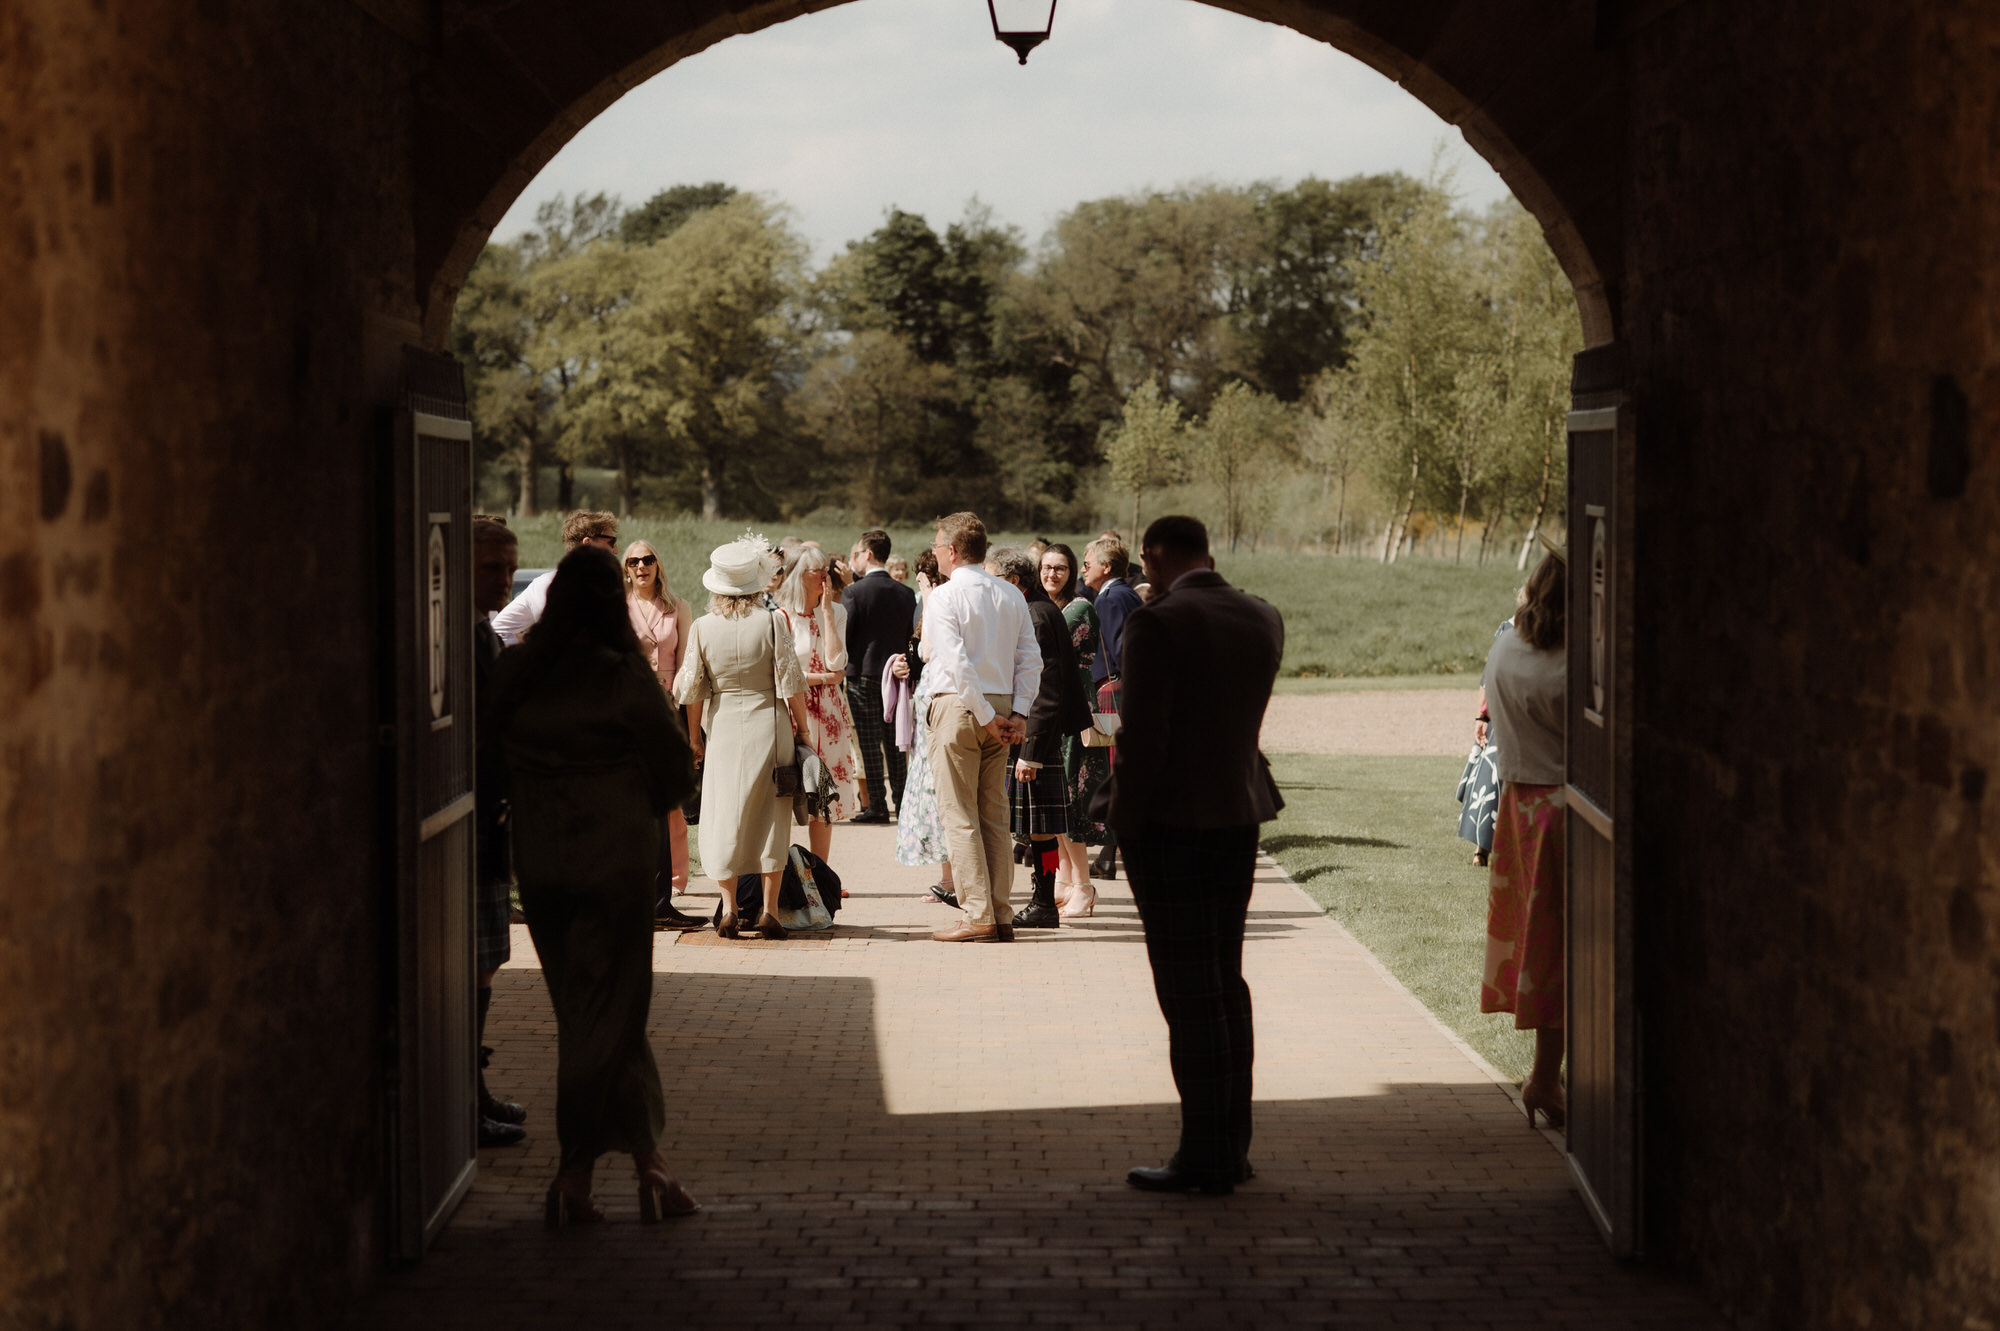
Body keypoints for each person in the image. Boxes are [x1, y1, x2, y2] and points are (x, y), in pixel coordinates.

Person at [488, 545, 700, 1226]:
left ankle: (646, 1163)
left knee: (586, 1008)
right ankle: (578, 1170)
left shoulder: (517, 671)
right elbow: (674, 774)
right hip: (616, 855)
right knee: (612, 1008)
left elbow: (483, 763)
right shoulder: (622, 678)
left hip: (543, 859)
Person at [1096, 515, 1283, 1196]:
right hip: (1239, 809)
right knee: (1225, 983)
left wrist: (1121, 822)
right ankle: (1231, 1142)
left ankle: (1204, 1154)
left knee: (1186, 988)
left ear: (1153, 555)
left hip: (1172, 820)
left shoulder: (1159, 622)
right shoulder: (1262, 615)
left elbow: (1144, 739)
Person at [675, 535, 812, 941]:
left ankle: (730, 909)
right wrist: (803, 731)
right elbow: (791, 683)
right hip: (769, 725)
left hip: (723, 730)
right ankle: (769, 910)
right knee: (772, 817)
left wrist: (695, 739)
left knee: (722, 816)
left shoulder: (702, 627)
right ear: (754, 584)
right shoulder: (772, 621)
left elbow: (692, 691)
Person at [1478, 550, 1569, 1129]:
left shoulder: (1507, 644)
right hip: (1564, 809)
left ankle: (1546, 1073)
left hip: (1520, 806)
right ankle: (1544, 1077)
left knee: (1543, 949)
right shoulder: (1576, 661)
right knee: (1566, 949)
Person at [923, 513, 1040, 943]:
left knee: (960, 814)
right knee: (994, 811)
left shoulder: (944, 596)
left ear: (952, 551)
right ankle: (1002, 911)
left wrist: (988, 717)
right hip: (1003, 705)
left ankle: (978, 913)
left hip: (960, 706)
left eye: (937, 546)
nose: (935, 553)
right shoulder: (1010, 593)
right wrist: (1019, 713)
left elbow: (954, 662)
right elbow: (1030, 659)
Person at [986, 547, 1092, 930]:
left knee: (1041, 828)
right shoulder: (1035, 610)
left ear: (1013, 581)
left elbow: (1047, 690)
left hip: (1037, 739)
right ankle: (1043, 901)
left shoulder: (1037, 615)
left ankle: (1044, 903)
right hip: (1036, 736)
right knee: (1039, 829)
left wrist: (1030, 752)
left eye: (993, 578)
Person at [470, 516, 527, 1149]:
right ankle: (463, 1095)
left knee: (485, 962)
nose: (506, 581)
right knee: (473, 965)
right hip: (472, 815)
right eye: (492, 569)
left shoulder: (486, 634)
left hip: (488, 814)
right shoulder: (463, 637)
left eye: (511, 569)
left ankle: (471, 1089)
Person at [622, 539, 704, 928]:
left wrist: (693, 734)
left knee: (668, 806)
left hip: (669, 710)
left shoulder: (679, 607)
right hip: (630, 712)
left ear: (658, 564)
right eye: (634, 561)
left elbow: (689, 675)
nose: (641, 566)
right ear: (626, 568)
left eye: (648, 559)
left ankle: (664, 895)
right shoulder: (616, 606)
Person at [775, 543, 862, 865]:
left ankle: (820, 874)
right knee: (787, 792)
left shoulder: (837, 612)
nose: (825, 575)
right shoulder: (779, 617)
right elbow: (783, 673)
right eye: (817, 570)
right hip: (791, 710)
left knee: (823, 795)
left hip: (830, 713)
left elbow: (837, 661)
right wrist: (824, 678)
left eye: (826, 568)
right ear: (799, 575)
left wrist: (826, 612)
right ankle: (780, 873)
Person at [1038, 543, 1108, 916]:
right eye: (1046, 568)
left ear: (1072, 573)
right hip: (1054, 711)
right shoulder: (1050, 607)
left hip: (1074, 712)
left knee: (1070, 803)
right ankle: (1065, 880)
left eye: (1060, 568)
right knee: (1056, 802)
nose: (1052, 574)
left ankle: (1084, 885)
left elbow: (1043, 646)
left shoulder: (1079, 609)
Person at [893, 549, 956, 905]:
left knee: (942, 798)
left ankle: (954, 878)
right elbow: (919, 652)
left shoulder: (939, 604)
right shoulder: (926, 608)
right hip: (924, 719)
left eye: (921, 577)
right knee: (933, 802)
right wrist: (903, 666)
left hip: (939, 715)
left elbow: (933, 652)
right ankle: (947, 877)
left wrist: (930, 595)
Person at [1080, 533, 1144, 881]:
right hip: (1119, 689)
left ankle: (1110, 852)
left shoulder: (1112, 599)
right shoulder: (1123, 594)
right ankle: (1108, 853)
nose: (1083, 568)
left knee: (1112, 771)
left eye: (1087, 562)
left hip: (1112, 691)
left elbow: (1117, 651)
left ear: (1105, 567)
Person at [843, 529, 917, 824]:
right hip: (897, 672)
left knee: (870, 742)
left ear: (868, 554)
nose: (856, 560)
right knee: (895, 739)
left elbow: (847, 634)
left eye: (858, 554)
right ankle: (902, 802)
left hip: (862, 672)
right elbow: (911, 635)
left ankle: (876, 805)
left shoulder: (854, 591)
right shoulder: (905, 592)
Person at [491, 510, 619, 646]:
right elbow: (498, 632)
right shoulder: (551, 586)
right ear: (588, 543)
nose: (616, 550)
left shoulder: (599, 588)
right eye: (611, 542)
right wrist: (526, 648)